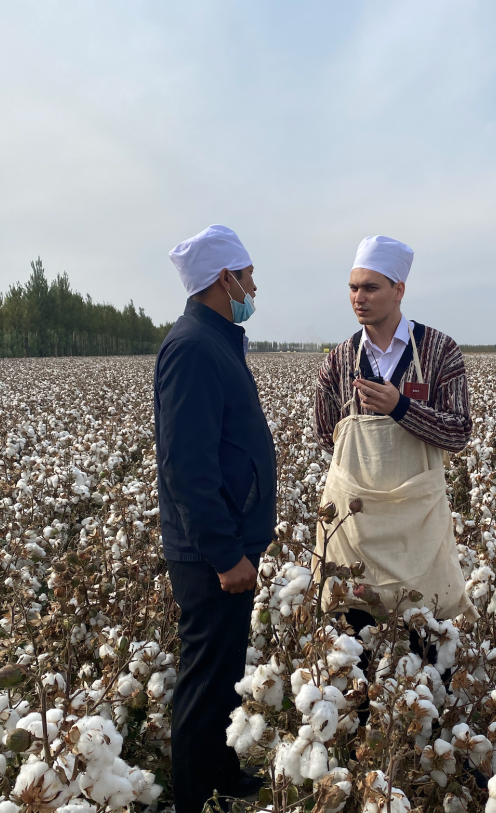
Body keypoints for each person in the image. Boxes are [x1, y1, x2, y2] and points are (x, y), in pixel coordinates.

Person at [155, 224, 275, 813]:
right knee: (203, 681)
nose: (254, 285)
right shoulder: (193, 348)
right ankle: (193, 800)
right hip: (210, 554)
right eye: (248, 276)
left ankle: (222, 771)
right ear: (225, 279)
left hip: (226, 541)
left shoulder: (217, 339)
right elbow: (187, 466)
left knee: (225, 671)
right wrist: (226, 554)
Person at [313, 235, 476, 639]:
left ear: (398, 290)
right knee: (354, 643)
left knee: (427, 639)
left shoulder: (440, 351)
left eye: (370, 287)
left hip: (419, 522)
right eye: (353, 288)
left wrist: (401, 408)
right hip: (355, 525)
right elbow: (326, 434)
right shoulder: (338, 360)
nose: (359, 298)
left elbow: (458, 432)